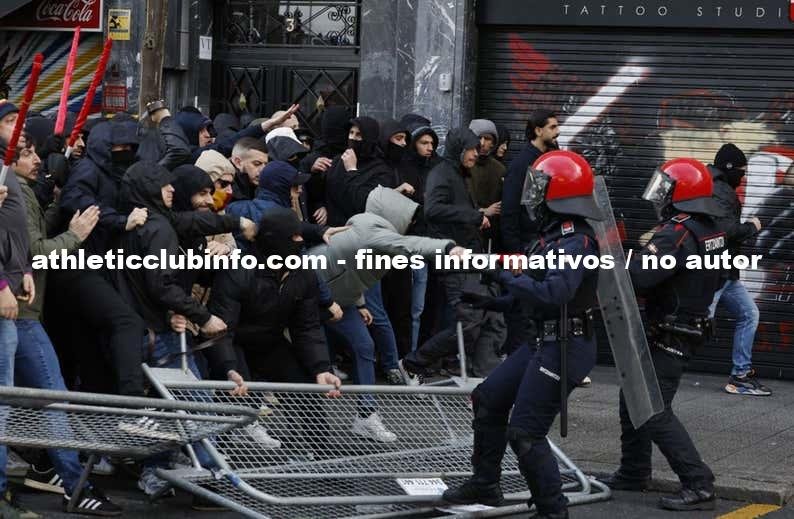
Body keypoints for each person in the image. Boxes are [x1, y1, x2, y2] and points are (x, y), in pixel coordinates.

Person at [440, 151, 603, 519]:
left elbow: (554, 294)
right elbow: (528, 294)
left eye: (540, 188)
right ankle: (485, 484)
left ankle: (552, 510)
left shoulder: (576, 241)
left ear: (559, 195)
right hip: (543, 340)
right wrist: (488, 300)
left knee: (525, 431)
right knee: (487, 398)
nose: (532, 196)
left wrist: (503, 275)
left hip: (567, 345)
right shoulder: (547, 239)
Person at [7, 138, 122, 515]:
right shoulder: (15, 192)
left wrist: (57, 208)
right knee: (54, 400)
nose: (36, 159)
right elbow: (32, 254)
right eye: (27, 151)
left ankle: (47, 468)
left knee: (30, 401)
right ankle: (76, 484)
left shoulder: (20, 189)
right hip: (19, 316)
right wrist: (75, 236)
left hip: (22, 313)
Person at [603, 158, 722, 511]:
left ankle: (698, 483)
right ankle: (634, 470)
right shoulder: (708, 229)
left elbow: (640, 276)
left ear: (680, 194)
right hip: (686, 326)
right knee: (633, 400)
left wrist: (616, 260)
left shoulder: (677, 232)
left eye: (666, 189)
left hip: (671, 330)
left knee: (653, 408)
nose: (660, 198)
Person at [310, 186, 465, 442]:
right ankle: (260, 419)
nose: (413, 223)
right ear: (396, 215)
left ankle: (366, 416)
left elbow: (350, 270)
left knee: (364, 347)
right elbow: (408, 245)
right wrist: (447, 247)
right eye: (410, 217)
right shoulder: (373, 233)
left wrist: (359, 303)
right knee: (291, 363)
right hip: (309, 296)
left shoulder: (366, 230)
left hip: (339, 299)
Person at [400, 127, 501, 380]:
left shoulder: (457, 174)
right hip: (453, 259)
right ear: (459, 149)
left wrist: (475, 216)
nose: (475, 154)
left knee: (490, 317)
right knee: (469, 322)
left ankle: (484, 380)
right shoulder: (442, 174)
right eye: (471, 149)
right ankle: (414, 362)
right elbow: (433, 210)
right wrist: (476, 215)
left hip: (468, 258)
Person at [708, 144, 769, 396]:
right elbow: (728, 231)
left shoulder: (717, 186)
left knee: (749, 314)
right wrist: (752, 226)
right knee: (695, 325)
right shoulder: (721, 191)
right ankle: (659, 371)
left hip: (725, 273)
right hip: (713, 273)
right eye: (742, 172)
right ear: (730, 169)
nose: (743, 177)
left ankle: (740, 375)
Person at [499, 110, 559, 356]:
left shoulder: (552, 159)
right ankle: (518, 359)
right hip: (526, 246)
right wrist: (515, 253)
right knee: (523, 311)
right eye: (553, 127)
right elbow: (510, 212)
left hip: (544, 244)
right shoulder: (523, 164)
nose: (558, 132)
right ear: (537, 130)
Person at [325, 116, 395, 226]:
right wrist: (320, 206)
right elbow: (325, 189)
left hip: (358, 231)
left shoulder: (381, 170)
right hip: (329, 229)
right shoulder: (339, 160)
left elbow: (365, 202)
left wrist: (352, 170)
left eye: (359, 135)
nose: (352, 138)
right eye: (351, 133)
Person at [230, 137, 268, 203]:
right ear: (238, 163)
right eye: (257, 164)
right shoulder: (228, 190)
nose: (263, 170)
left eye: (266, 165)